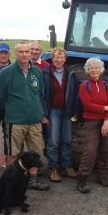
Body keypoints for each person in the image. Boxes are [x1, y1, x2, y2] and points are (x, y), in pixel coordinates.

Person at [0, 42, 50, 191]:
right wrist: (13, 110)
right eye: (21, 52)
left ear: (30, 54)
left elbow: (40, 93)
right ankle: (11, 181)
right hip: (15, 121)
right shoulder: (6, 73)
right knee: (13, 152)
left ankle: (33, 180)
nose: (25, 54)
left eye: (27, 52)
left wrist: (39, 113)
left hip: (34, 120)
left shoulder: (37, 72)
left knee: (36, 151)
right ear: (16, 54)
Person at [76, 58, 108, 193]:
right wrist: (105, 109)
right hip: (91, 122)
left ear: (101, 70)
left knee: (106, 149)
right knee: (90, 150)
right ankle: (82, 178)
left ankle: (102, 175)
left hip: (107, 122)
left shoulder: (106, 85)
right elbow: (87, 105)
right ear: (88, 70)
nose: (94, 70)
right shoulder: (84, 86)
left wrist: (107, 121)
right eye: (91, 68)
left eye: (97, 67)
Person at [43, 47, 77, 183]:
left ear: (65, 59)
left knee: (67, 140)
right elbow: (42, 94)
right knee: (53, 141)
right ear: (52, 58)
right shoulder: (45, 73)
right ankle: (53, 168)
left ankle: (66, 166)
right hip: (53, 111)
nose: (58, 60)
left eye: (61, 57)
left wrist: (74, 111)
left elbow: (74, 94)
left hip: (66, 111)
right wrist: (44, 114)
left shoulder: (71, 73)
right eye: (56, 57)